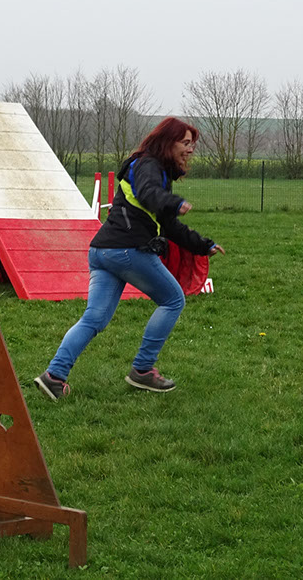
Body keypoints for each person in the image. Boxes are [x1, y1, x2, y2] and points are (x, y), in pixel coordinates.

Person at [34, 117, 225, 400]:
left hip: (102, 251)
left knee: (94, 318)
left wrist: (202, 245)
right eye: (185, 143)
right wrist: (174, 202)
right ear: (168, 142)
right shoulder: (148, 166)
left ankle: (54, 376)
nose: (190, 150)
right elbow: (149, 195)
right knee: (173, 300)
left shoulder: (150, 168)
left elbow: (169, 225)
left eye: (192, 144)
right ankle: (143, 369)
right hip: (127, 250)